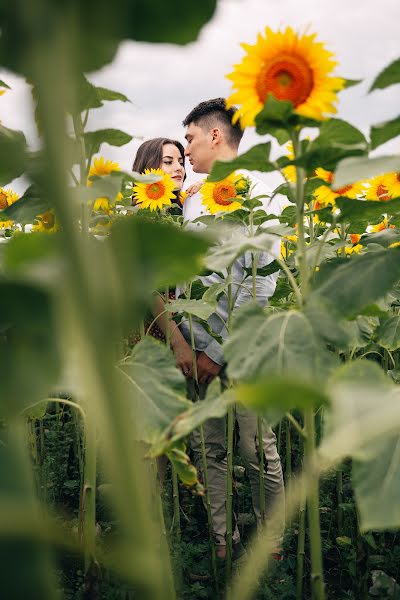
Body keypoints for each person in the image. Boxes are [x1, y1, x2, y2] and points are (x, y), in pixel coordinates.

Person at [178, 98, 285, 559]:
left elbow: (262, 284)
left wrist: (216, 352)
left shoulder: (259, 193)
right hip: (200, 353)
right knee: (211, 449)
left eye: (190, 138)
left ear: (215, 136)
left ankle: (272, 544)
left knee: (258, 449)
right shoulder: (195, 199)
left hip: (245, 352)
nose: (186, 150)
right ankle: (224, 540)